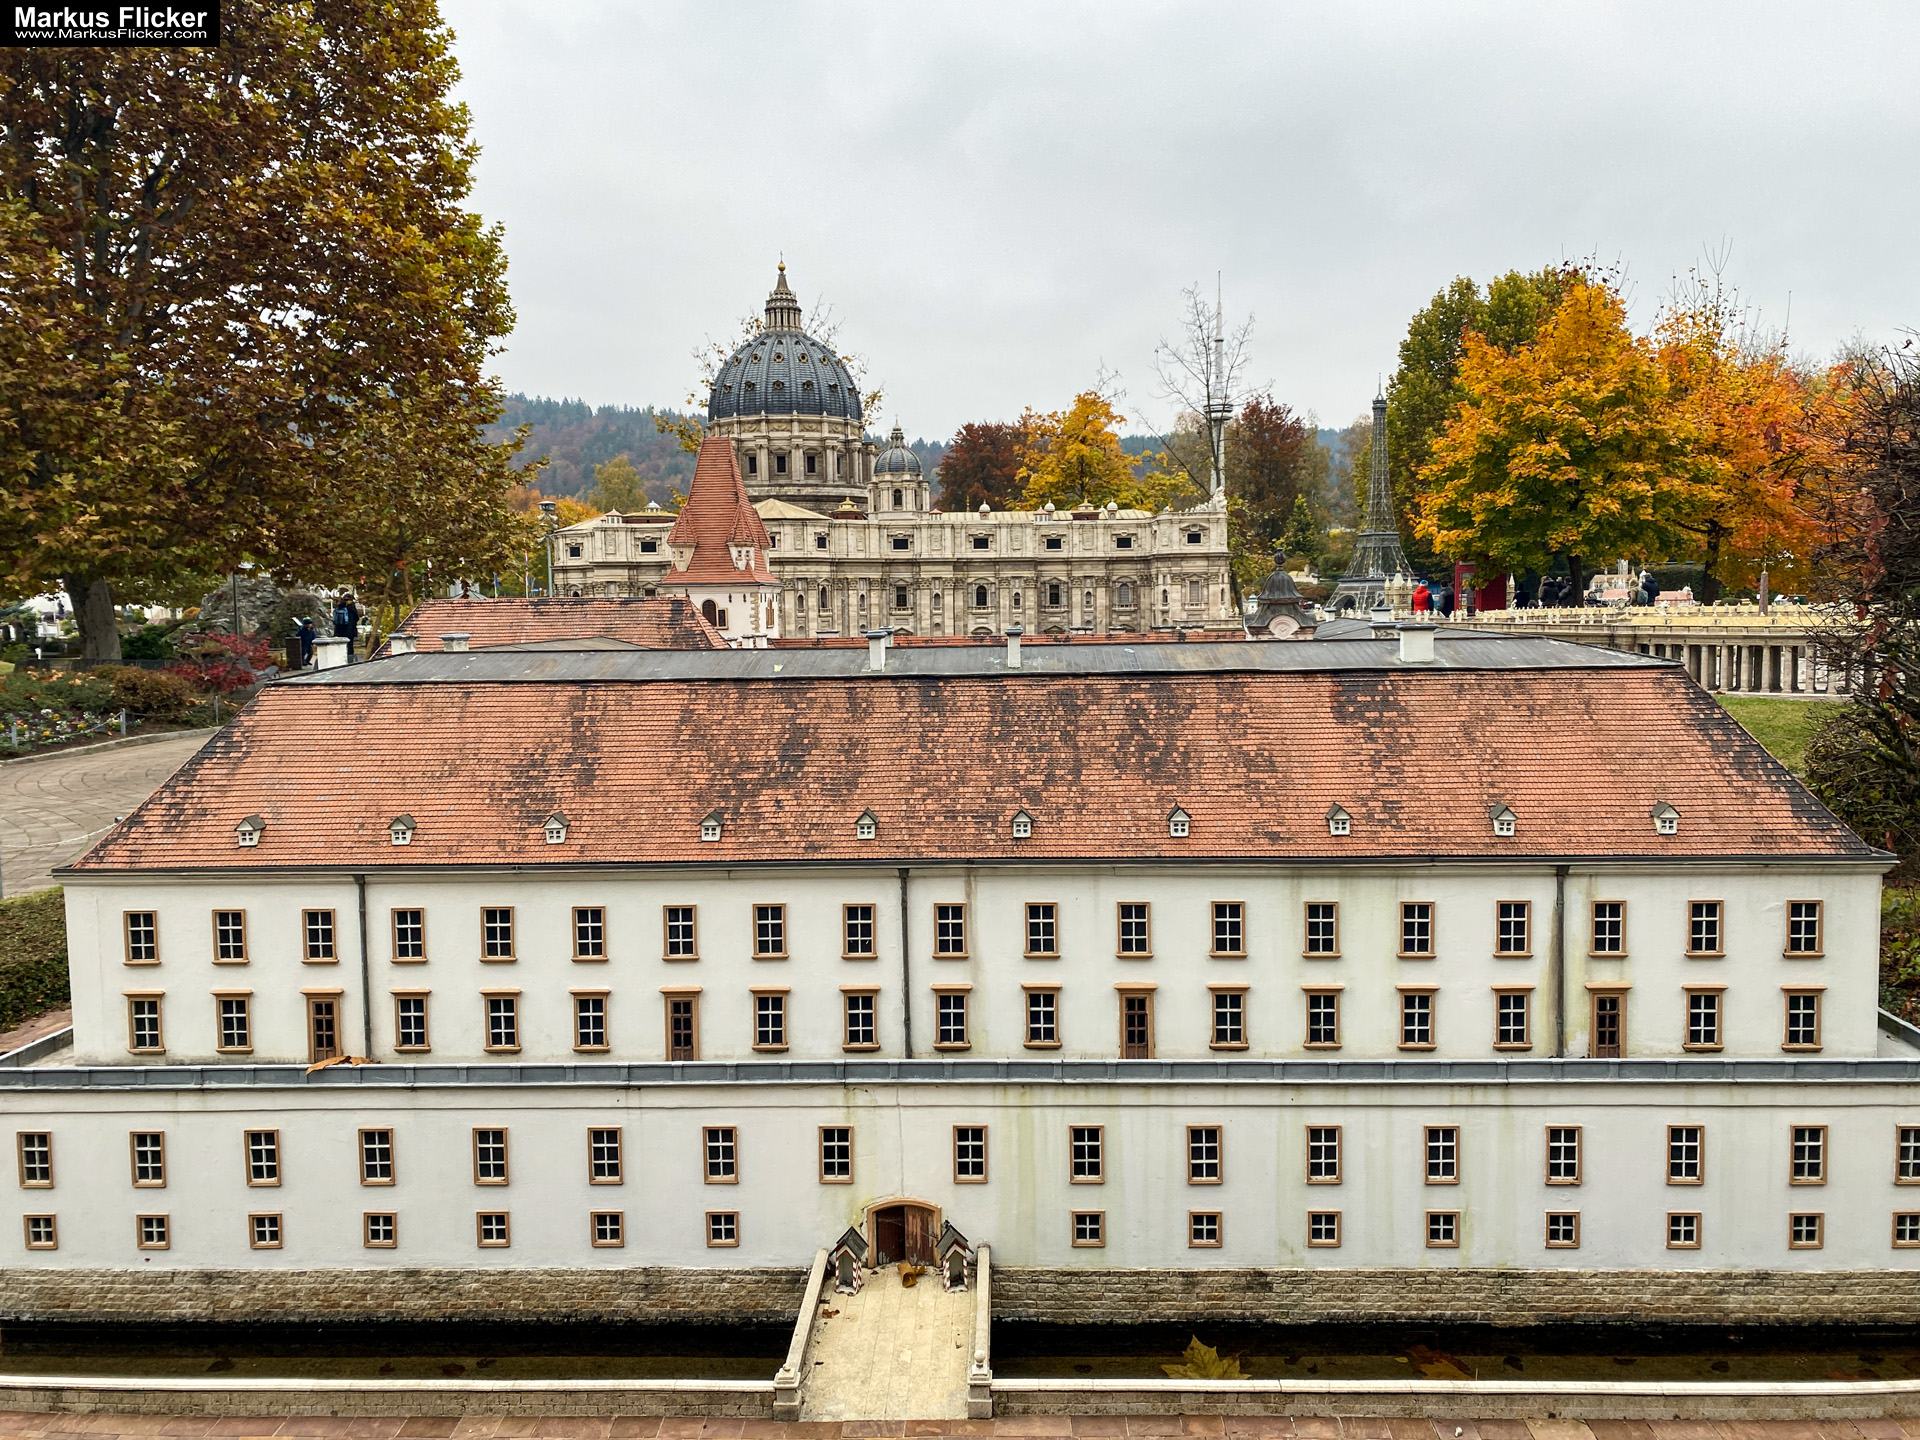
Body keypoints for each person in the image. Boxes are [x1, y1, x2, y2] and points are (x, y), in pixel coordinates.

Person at [332, 593, 360, 661]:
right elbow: (356, 618)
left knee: (340, 645)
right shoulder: (351, 608)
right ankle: (349, 659)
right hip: (349, 631)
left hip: (339, 630)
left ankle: (340, 659)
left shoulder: (339, 607)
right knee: (350, 646)